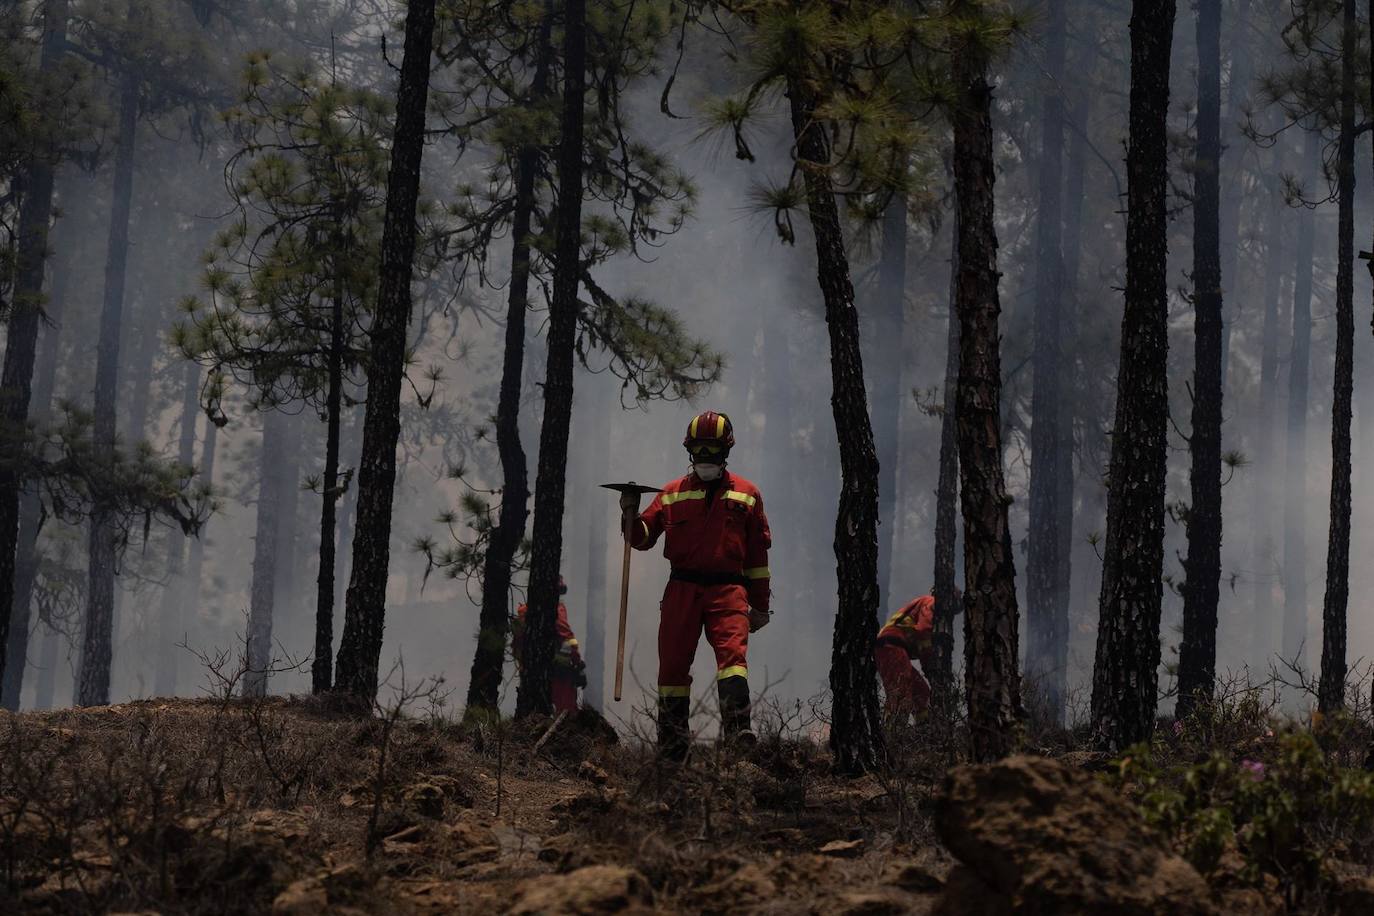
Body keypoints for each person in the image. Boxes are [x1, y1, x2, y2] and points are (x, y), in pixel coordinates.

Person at [620, 410, 772, 759]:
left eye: (712, 450)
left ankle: (738, 734)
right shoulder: (672, 493)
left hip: (729, 590)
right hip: (682, 590)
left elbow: (757, 559)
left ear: (725, 451)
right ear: (689, 450)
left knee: (733, 660)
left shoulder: (748, 494)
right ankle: (672, 748)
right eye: (699, 450)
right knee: (672, 666)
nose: (705, 458)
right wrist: (629, 514)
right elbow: (643, 538)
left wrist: (760, 606)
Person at [875, 591, 957, 723]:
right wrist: (931, 669)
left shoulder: (928, 604)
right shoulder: (932, 602)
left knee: (922, 693)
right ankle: (892, 735)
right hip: (891, 645)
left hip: (893, 648)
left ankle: (923, 734)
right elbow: (923, 632)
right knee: (900, 692)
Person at [512, 575, 586, 713]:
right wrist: (577, 663)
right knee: (567, 714)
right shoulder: (555, 610)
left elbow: (516, 647)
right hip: (558, 674)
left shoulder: (525, 613)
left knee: (533, 713)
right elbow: (567, 638)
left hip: (530, 673)